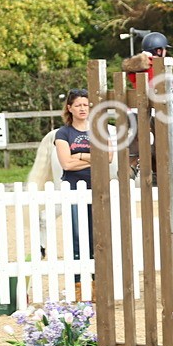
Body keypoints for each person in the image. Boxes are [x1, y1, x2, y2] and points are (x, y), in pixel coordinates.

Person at [121, 31, 173, 173]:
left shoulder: (137, 68)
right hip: (155, 111)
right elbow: (171, 96)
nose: (166, 52)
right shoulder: (156, 68)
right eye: (164, 49)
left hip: (138, 110)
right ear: (158, 50)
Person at [55, 88, 105, 299]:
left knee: (96, 237)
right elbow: (66, 163)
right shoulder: (63, 133)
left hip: (97, 188)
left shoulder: (98, 130)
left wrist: (79, 156)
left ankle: (96, 284)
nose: (82, 108)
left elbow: (106, 157)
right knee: (77, 236)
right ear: (70, 108)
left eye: (85, 104)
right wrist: (89, 154)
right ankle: (78, 285)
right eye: (78, 105)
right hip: (73, 188)